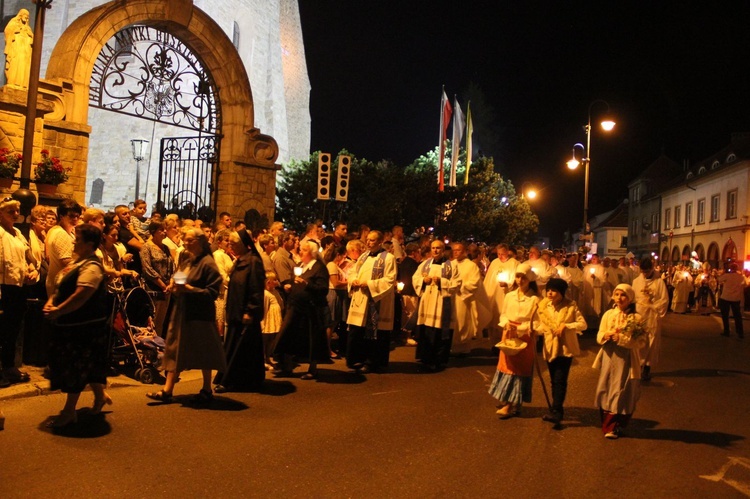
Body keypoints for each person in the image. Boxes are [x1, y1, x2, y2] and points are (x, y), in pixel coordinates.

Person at [146, 228, 227, 403]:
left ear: (201, 242)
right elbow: (180, 278)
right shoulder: (188, 260)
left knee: (204, 351)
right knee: (175, 349)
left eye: (191, 240)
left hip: (199, 315)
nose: (187, 243)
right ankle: (167, 390)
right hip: (182, 313)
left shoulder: (208, 263)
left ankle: (207, 388)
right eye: (186, 240)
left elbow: (212, 292)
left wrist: (189, 289)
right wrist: (174, 284)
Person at [43, 225, 111, 427]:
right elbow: (62, 286)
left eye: (78, 239)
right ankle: (100, 397)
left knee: (76, 367)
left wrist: (59, 310)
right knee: (87, 366)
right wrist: (51, 301)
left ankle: (69, 411)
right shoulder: (77, 263)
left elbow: (81, 295)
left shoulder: (92, 266)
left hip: (84, 328)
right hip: (70, 325)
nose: (74, 242)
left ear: (89, 244)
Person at [593, 283, 648, 439]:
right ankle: (606, 423)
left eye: (623, 295)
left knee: (620, 390)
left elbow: (641, 342)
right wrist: (606, 336)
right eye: (617, 294)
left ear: (630, 298)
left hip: (626, 359)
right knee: (605, 387)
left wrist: (622, 339)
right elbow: (599, 335)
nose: (619, 298)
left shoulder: (636, 318)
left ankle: (614, 425)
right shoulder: (608, 315)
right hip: (609, 356)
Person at [214, 230, 266, 391]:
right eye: (229, 243)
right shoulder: (240, 260)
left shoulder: (254, 262)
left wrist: (250, 310)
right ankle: (239, 379)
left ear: (243, 244)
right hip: (236, 311)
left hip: (246, 313)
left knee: (240, 348)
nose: (230, 246)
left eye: (233, 243)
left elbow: (255, 288)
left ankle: (229, 380)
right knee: (237, 346)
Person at [488, 263, 540, 419]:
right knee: (506, 367)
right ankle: (510, 401)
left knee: (518, 369)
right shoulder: (510, 296)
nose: (520, 280)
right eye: (518, 276)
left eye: (523, 277)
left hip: (524, 337)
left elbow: (538, 321)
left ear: (529, 279)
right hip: (509, 334)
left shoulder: (535, 299)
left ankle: (510, 404)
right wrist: (506, 324)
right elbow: (503, 315)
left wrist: (523, 328)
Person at [274, 240, 330, 379]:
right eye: (300, 249)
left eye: (304, 250)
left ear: (311, 253)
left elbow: (323, 289)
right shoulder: (301, 266)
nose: (300, 252)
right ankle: (287, 365)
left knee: (312, 339)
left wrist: (306, 284)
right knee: (288, 334)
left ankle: (313, 368)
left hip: (310, 309)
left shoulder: (319, 268)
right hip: (296, 307)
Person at [346, 230, 397, 374]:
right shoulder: (363, 256)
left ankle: (372, 362)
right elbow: (353, 272)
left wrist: (369, 284)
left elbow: (390, 279)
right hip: (361, 300)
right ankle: (356, 359)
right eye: (367, 240)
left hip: (376, 301)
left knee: (374, 332)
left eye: (372, 240)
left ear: (380, 242)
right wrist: (353, 280)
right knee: (358, 331)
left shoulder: (388, 258)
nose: (368, 242)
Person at [537, 278, 587, 424]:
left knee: (560, 379)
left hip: (565, 348)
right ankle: (556, 409)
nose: (550, 293)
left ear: (562, 293)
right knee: (554, 380)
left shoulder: (571, 306)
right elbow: (543, 327)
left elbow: (582, 324)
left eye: (554, 290)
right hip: (549, 347)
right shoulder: (543, 307)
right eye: (549, 290)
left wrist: (567, 326)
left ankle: (557, 410)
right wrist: (534, 331)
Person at [0, 198, 36, 387]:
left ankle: (8, 366)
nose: (15, 214)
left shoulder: (18, 234)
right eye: (10, 211)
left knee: (12, 330)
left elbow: (30, 257)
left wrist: (33, 269)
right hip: (3, 288)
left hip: (18, 287)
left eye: (17, 211)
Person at [412, 240, 461, 370]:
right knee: (426, 330)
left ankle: (439, 360)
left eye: (438, 248)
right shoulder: (425, 264)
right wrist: (423, 280)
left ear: (443, 249)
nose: (435, 250)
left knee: (440, 331)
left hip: (441, 303)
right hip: (427, 302)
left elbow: (457, 284)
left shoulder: (451, 266)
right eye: (433, 248)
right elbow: (415, 278)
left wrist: (442, 282)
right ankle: (425, 358)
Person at [632, 257, 669, 381]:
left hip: (652, 316)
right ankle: (638, 366)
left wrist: (653, 305)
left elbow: (664, 300)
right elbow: (633, 297)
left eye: (647, 271)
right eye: (643, 272)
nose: (645, 274)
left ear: (652, 269)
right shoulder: (636, 281)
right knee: (639, 341)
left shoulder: (659, 282)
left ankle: (647, 367)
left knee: (651, 342)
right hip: (639, 315)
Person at [450, 242, 490, 355]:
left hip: (463, 299)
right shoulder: (450, 264)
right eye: (454, 250)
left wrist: (460, 287)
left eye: (458, 250)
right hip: (451, 298)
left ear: (464, 252)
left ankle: (463, 348)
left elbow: (474, 282)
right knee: (453, 322)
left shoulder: (471, 266)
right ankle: (452, 346)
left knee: (463, 322)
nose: (456, 252)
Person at [140, 221, 175, 337]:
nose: (164, 232)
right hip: (154, 289)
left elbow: (172, 265)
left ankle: (158, 346)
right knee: (153, 321)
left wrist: (170, 282)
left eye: (165, 229)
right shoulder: (147, 247)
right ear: (153, 232)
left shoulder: (165, 247)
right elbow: (147, 269)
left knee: (161, 321)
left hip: (166, 289)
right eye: (161, 229)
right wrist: (162, 285)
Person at [484, 243, 519, 345]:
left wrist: (508, 284)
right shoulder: (494, 262)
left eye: (502, 254)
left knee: (503, 318)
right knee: (493, 318)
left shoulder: (514, 263)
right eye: (498, 254)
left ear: (507, 252)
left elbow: (516, 279)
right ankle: (493, 343)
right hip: (494, 294)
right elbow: (488, 279)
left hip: (505, 295)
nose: (500, 256)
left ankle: (504, 341)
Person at [45, 200, 82, 297]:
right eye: (71, 216)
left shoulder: (63, 231)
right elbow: (66, 261)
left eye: (77, 216)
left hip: (61, 283)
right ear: (61, 216)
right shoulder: (61, 233)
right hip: (61, 285)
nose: (75, 219)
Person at [4, 9, 33, 88]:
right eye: (25, 16)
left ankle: (23, 84)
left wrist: (30, 36)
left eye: (28, 17)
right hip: (16, 50)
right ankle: (12, 82)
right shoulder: (13, 23)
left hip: (25, 51)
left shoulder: (28, 28)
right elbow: (7, 31)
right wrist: (16, 31)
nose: (26, 18)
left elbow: (32, 40)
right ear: (21, 15)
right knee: (15, 64)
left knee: (24, 67)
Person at [261, 271, 283, 370]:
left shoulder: (275, 291)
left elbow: (280, 303)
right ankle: (263, 360)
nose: (276, 281)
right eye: (274, 280)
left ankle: (268, 358)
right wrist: (263, 322)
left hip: (275, 319)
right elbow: (264, 308)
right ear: (268, 282)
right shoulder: (265, 294)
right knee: (265, 340)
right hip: (268, 319)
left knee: (271, 340)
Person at [717, 262, 745, 339]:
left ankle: (726, 331)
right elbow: (744, 284)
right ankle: (740, 332)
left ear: (731, 269)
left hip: (726, 297)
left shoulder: (727, 276)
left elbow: (719, 280)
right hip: (736, 298)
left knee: (725, 315)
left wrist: (723, 273)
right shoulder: (740, 277)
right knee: (737, 316)